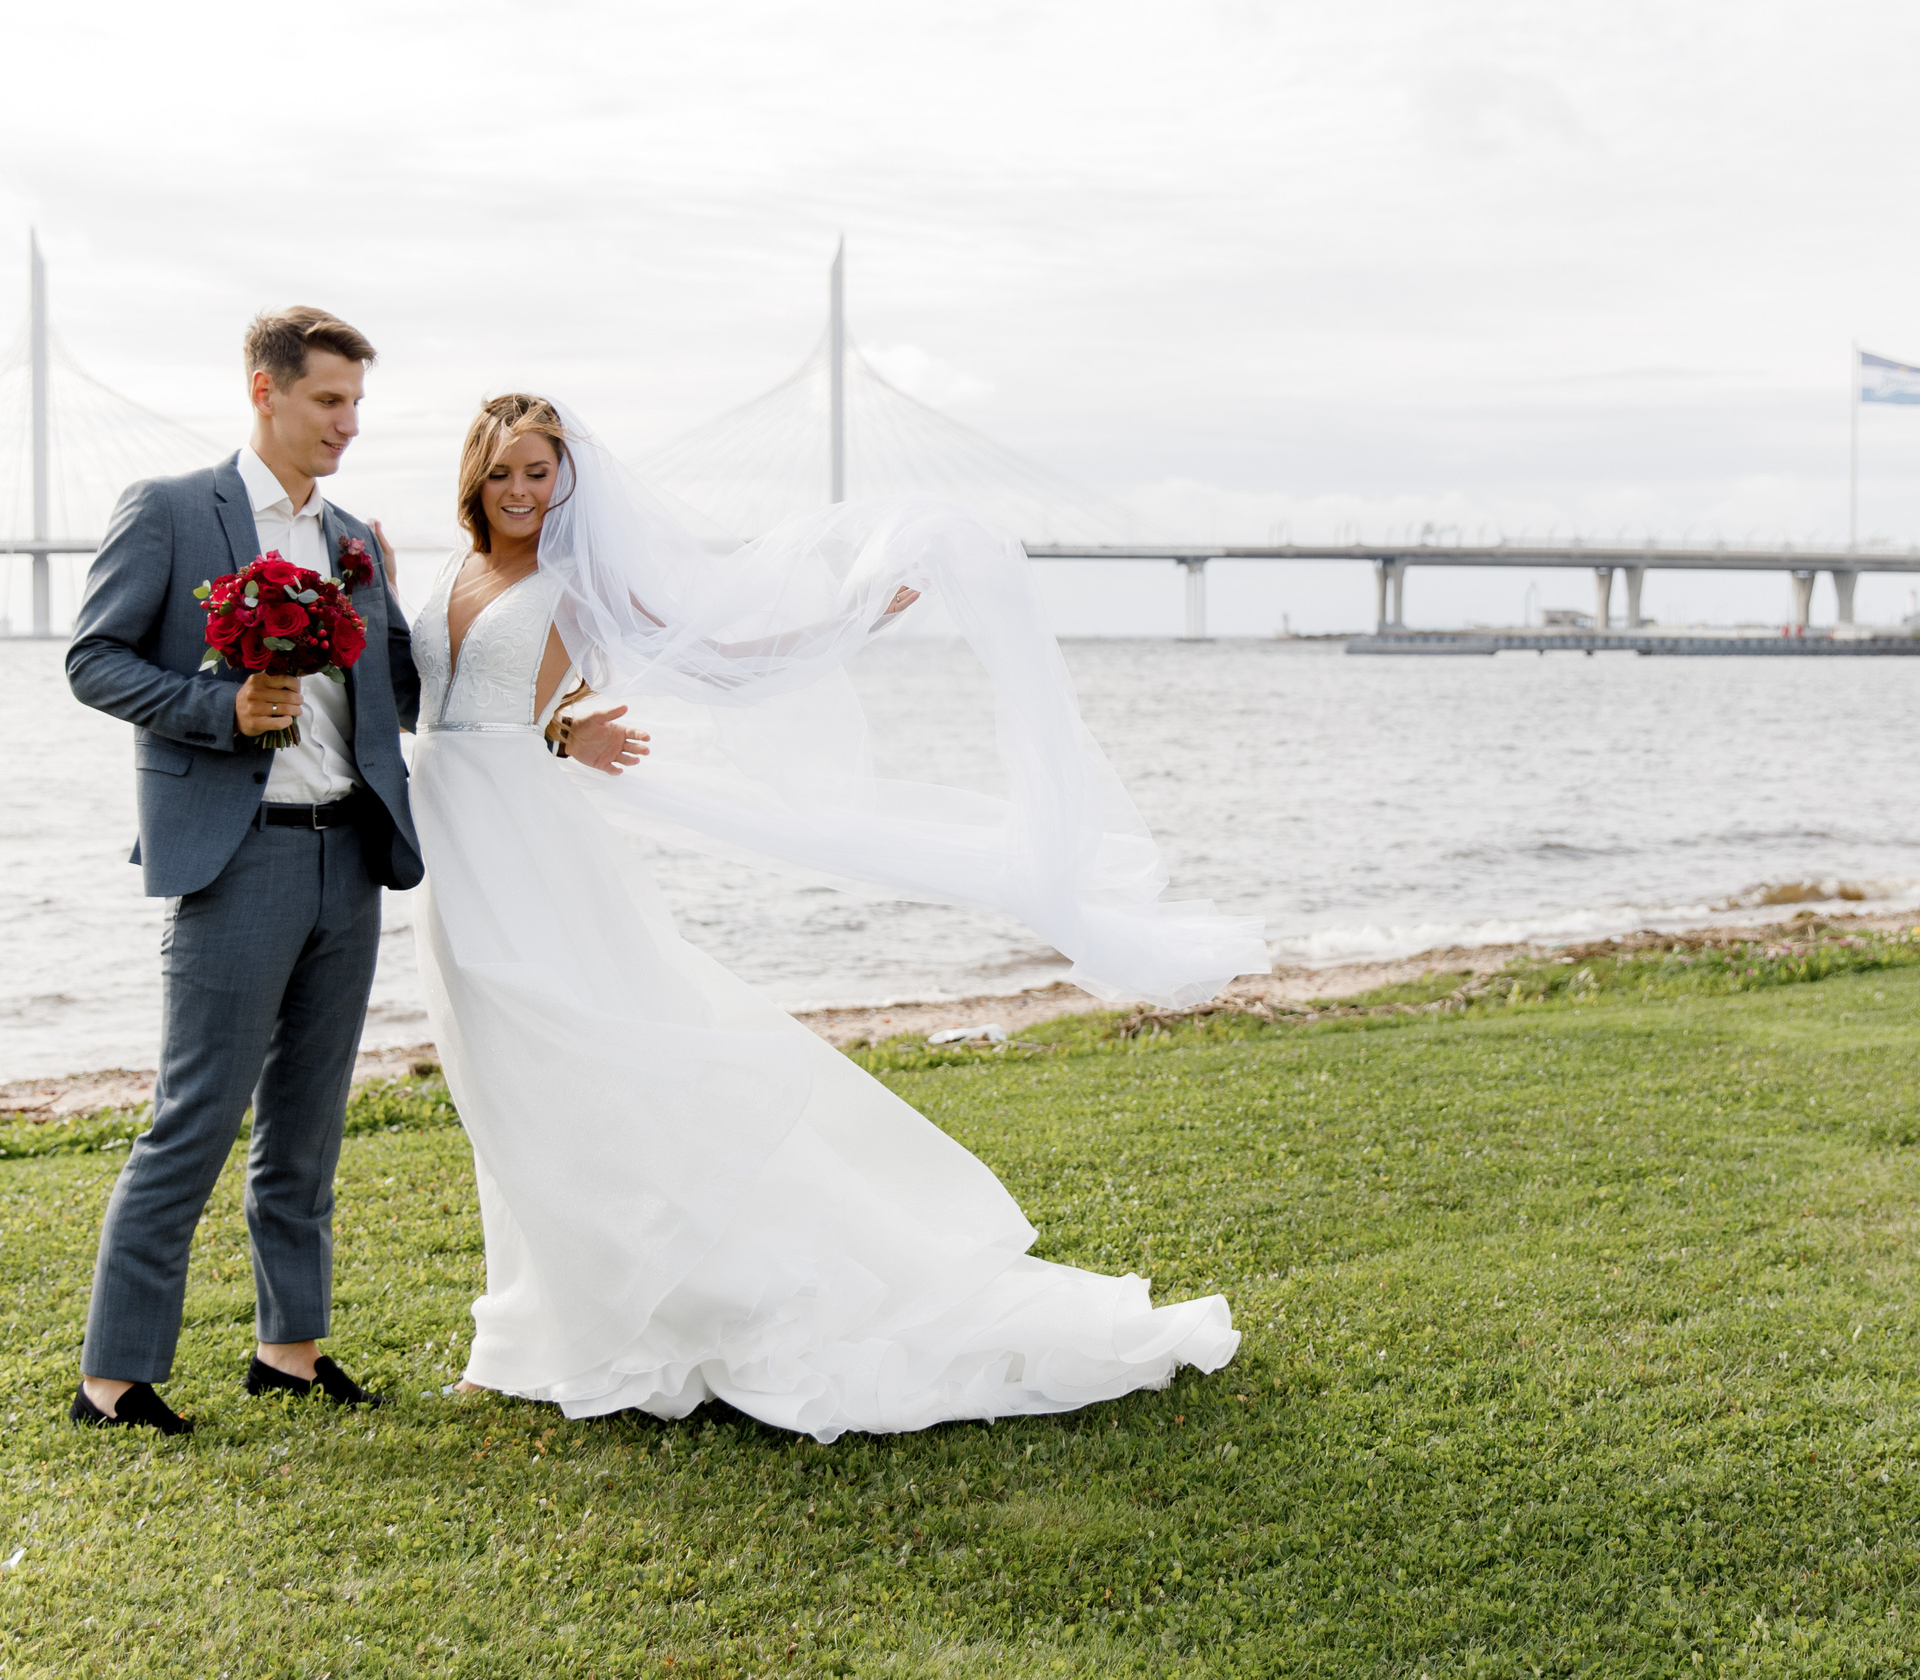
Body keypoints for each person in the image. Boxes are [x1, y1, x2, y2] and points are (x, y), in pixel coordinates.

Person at [412, 394, 1264, 1440]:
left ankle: (597, 1326)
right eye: (503, 472)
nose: (520, 491)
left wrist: (855, 617)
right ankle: (529, 1330)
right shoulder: (445, 572)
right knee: (498, 1084)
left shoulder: (577, 581)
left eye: (539, 472)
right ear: (473, 475)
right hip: (447, 847)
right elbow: (445, 698)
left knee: (571, 1070)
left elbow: (720, 659)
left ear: (565, 480)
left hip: (528, 847)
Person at [63, 307, 423, 1433]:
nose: (347, 424)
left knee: (309, 1124)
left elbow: (397, 699)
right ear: (263, 390)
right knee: (195, 1117)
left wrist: (394, 601)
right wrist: (219, 708)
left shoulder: (355, 535)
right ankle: (113, 1379)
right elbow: (93, 658)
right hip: (234, 858)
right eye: (329, 400)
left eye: (357, 403)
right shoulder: (173, 510)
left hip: (347, 854)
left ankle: (289, 1351)